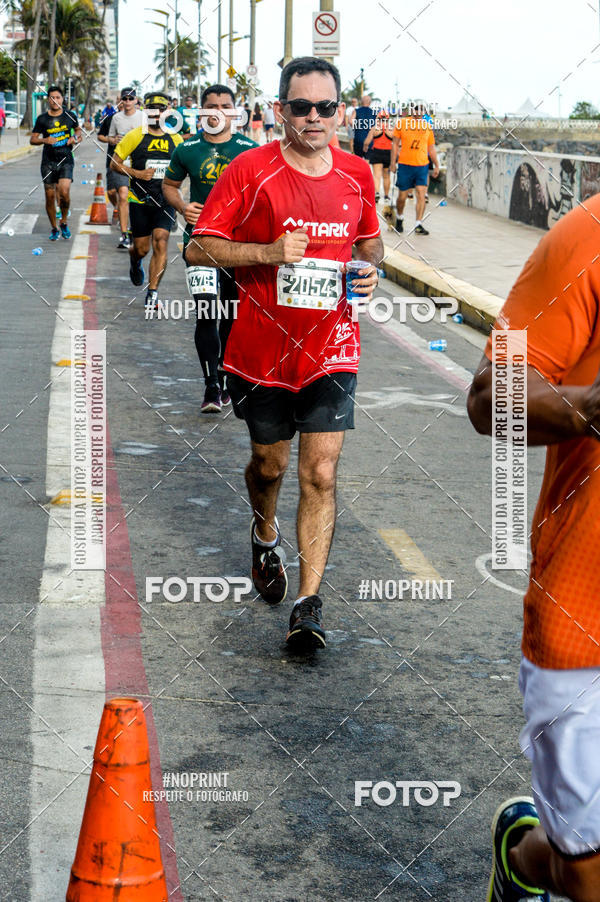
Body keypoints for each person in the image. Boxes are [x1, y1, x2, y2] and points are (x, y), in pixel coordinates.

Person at [186, 56, 382, 651]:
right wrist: (268, 253)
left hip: (333, 347)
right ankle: (264, 532)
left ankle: (308, 604)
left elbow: (371, 244)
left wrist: (370, 271)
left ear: (340, 112)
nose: (314, 117)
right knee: (268, 467)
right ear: (280, 110)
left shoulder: (357, 174)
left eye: (326, 107)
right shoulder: (249, 170)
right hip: (261, 353)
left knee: (320, 473)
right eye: (301, 107)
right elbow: (199, 249)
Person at [467, 195, 600, 902]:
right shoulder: (588, 238)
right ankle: (524, 858)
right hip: (586, 617)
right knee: (588, 874)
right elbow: (491, 396)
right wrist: (589, 408)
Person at [162, 83, 258, 413]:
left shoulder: (249, 150)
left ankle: (223, 370)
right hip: (200, 242)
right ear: (201, 112)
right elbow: (169, 185)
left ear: (234, 112)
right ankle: (211, 386)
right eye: (211, 106)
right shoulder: (187, 149)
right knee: (206, 311)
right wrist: (182, 206)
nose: (217, 111)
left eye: (225, 106)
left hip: (237, 245)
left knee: (230, 312)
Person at [110, 91, 183, 309]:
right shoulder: (135, 136)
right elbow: (115, 163)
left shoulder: (176, 139)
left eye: (160, 109)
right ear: (145, 111)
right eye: (151, 109)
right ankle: (135, 261)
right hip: (139, 201)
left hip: (165, 202)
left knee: (161, 240)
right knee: (141, 249)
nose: (156, 113)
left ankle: (152, 293)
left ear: (167, 111)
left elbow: (183, 169)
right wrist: (137, 174)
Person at [30, 85, 81, 240]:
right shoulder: (42, 119)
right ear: (48, 100)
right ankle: (54, 228)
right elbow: (33, 139)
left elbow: (78, 131)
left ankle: (63, 222)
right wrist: (45, 140)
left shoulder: (70, 115)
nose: (55, 100)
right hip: (48, 162)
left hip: (66, 159)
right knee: (50, 196)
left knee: (64, 192)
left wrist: (75, 138)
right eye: (52, 98)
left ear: (62, 99)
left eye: (58, 97)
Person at [100, 87, 144, 248]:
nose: (127, 101)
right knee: (123, 195)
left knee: (138, 199)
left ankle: (137, 229)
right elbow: (110, 136)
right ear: (121, 100)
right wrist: (113, 140)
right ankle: (125, 235)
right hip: (121, 163)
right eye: (125, 99)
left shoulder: (143, 117)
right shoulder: (116, 118)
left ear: (136, 100)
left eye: (130, 98)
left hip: (139, 164)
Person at [390, 101, 439, 235]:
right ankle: (399, 218)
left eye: (421, 109)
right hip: (405, 165)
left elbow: (431, 148)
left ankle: (418, 224)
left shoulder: (427, 126)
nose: (418, 112)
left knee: (421, 195)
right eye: (416, 109)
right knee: (402, 196)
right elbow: (395, 144)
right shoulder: (402, 123)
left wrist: (436, 164)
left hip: (422, 165)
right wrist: (393, 162)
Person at [364, 109, 393, 203]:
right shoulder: (392, 129)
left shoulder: (375, 128)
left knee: (377, 175)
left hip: (377, 152)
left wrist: (365, 147)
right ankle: (386, 196)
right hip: (388, 153)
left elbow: (367, 141)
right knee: (387, 176)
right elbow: (397, 143)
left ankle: (376, 193)